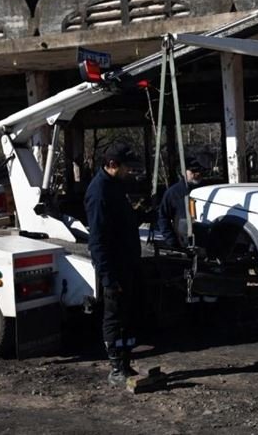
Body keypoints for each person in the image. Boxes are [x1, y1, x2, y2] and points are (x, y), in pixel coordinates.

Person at [85, 142, 144, 387]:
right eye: (126, 167)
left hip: (127, 263)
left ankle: (126, 362)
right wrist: (108, 277)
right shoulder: (99, 193)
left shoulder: (116, 187)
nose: (129, 171)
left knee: (128, 316)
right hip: (114, 267)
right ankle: (116, 367)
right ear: (112, 165)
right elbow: (97, 240)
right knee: (114, 317)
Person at [156, 156, 205, 249]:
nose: (197, 173)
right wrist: (171, 240)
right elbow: (162, 217)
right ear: (184, 172)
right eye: (193, 171)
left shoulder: (206, 190)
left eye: (199, 170)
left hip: (204, 243)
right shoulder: (173, 193)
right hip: (183, 244)